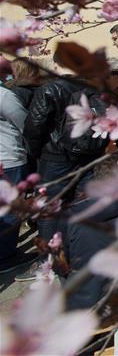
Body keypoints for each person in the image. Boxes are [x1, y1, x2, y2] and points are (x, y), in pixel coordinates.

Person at [19, 51, 111, 282]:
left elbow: (34, 127)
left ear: (58, 64)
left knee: (50, 211)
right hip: (89, 156)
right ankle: (84, 254)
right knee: (81, 206)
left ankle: (50, 261)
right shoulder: (94, 87)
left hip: (55, 159)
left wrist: (35, 153)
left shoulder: (50, 89)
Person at [0, 85, 36, 273]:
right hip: (9, 159)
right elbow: (27, 125)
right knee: (11, 210)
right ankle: (6, 257)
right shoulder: (4, 96)